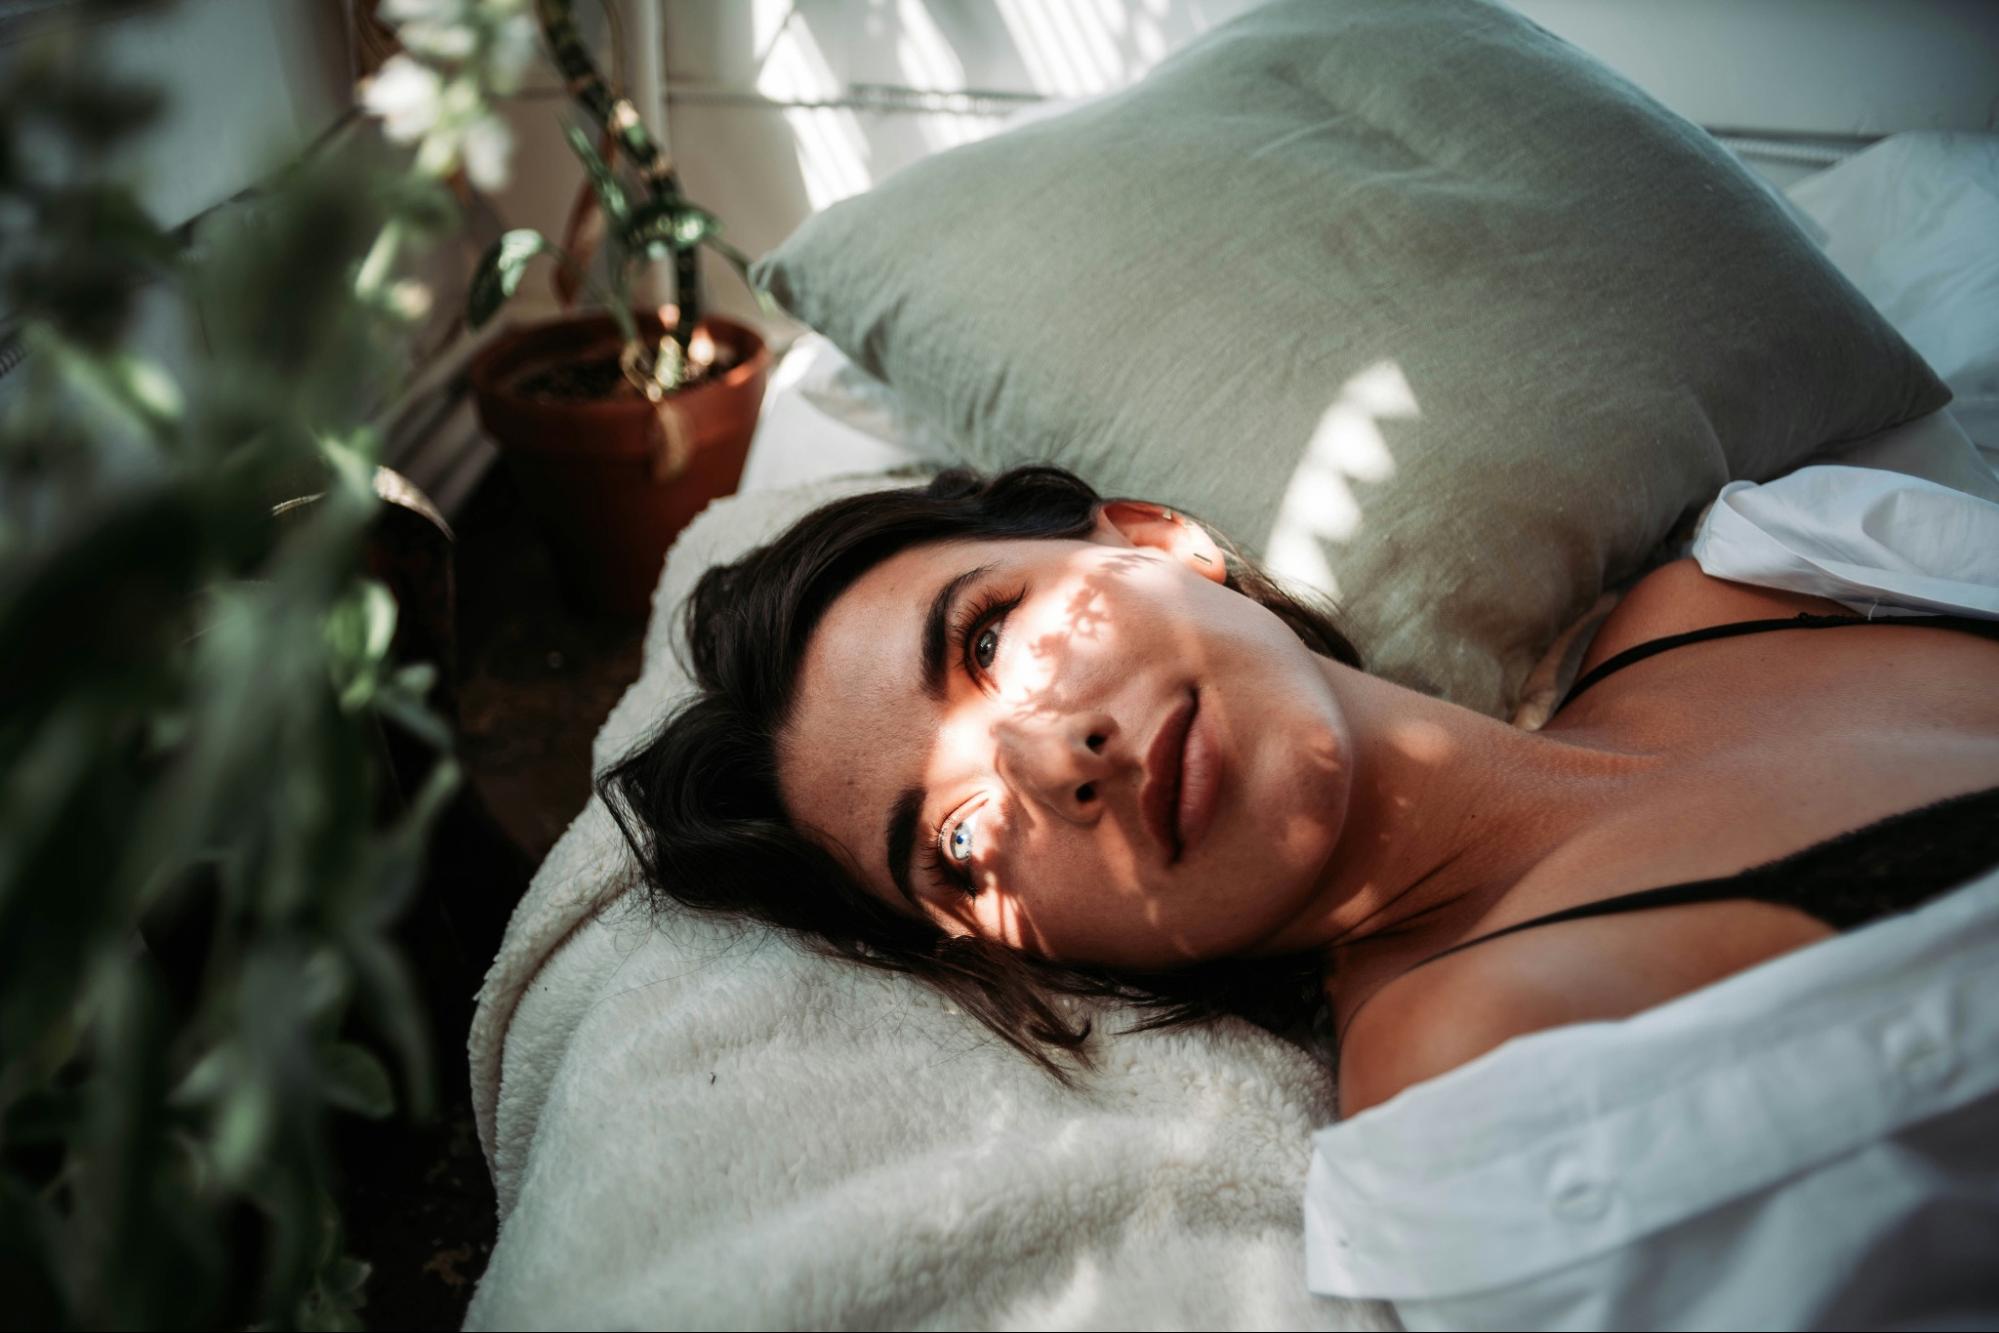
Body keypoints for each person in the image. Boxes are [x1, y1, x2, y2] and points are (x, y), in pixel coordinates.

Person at [598, 465, 1999, 1115]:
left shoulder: (1753, 571)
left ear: (1158, 541)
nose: (1053, 761)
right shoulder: (1480, 1080)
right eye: (957, 845)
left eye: (986, 638)